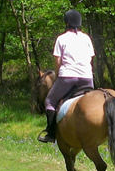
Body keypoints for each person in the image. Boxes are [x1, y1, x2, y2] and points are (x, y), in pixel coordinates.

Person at [37, 9, 95, 143]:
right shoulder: (86, 38)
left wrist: (58, 76)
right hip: (87, 79)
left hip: (67, 77)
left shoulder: (61, 39)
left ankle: (51, 134)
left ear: (67, 23)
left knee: (50, 102)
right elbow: (90, 59)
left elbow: (58, 61)